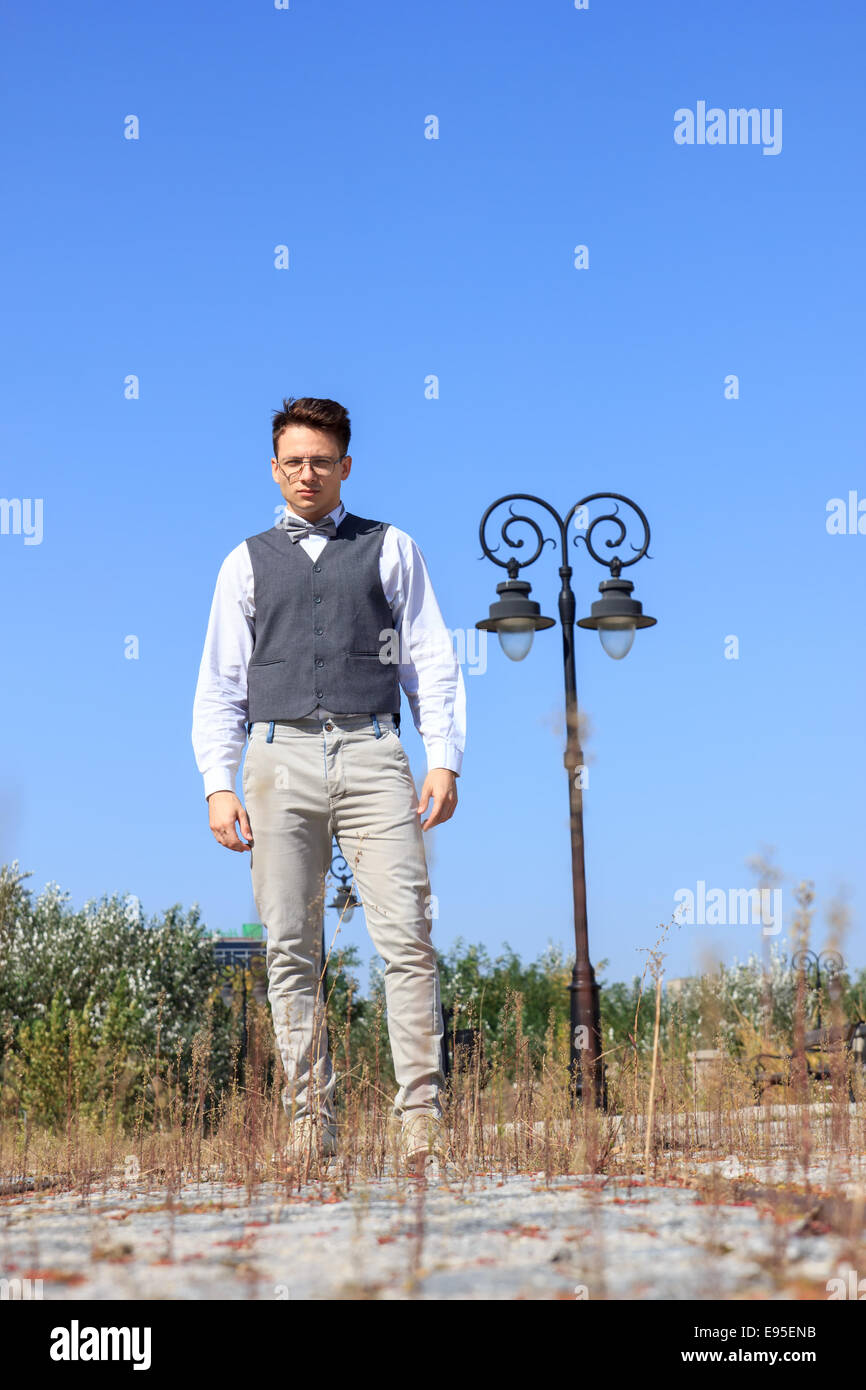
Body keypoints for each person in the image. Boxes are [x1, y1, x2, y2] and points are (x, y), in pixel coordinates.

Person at [191, 396, 465, 1174]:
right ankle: (312, 1122)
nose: (306, 473)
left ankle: (422, 1123)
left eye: (321, 460)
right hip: (276, 761)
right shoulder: (243, 561)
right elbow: (220, 685)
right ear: (274, 469)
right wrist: (219, 781)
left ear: (346, 465)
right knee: (289, 949)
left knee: (407, 938)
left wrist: (443, 757)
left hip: (376, 753)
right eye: (293, 462)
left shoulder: (391, 547)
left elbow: (431, 661)